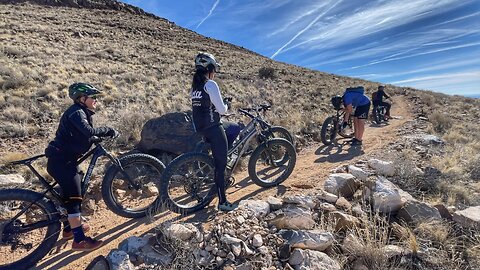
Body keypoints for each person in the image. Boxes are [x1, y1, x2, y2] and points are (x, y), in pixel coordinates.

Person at [45, 83, 118, 251]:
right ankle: (79, 241)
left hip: (64, 161)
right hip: (62, 163)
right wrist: (108, 130)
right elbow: (88, 131)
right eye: (93, 97)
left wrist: (93, 139)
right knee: (74, 199)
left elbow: (79, 135)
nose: (96, 101)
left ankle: (70, 229)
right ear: (82, 98)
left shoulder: (79, 112)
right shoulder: (76, 112)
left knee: (73, 192)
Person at [190, 52, 238, 212]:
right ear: (210, 69)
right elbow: (222, 111)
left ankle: (221, 156)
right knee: (221, 165)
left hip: (201, 127)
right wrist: (226, 105)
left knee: (232, 128)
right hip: (213, 128)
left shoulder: (195, 86)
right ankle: (223, 202)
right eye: (214, 69)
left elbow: (205, 106)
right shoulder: (210, 84)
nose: (215, 72)